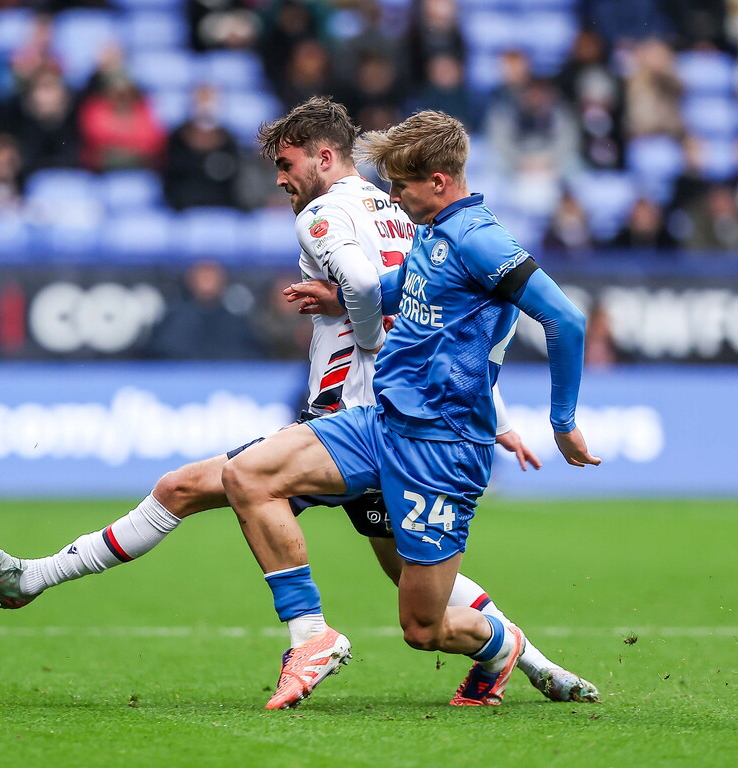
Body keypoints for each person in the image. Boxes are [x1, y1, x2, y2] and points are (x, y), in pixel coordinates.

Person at [0, 98, 598, 709]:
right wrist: (500, 415)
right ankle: (525, 660)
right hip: (392, 416)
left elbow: (390, 292)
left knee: (414, 607)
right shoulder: (402, 212)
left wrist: (366, 328)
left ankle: (322, 636)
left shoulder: (328, 216)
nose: (281, 182)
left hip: (375, 418)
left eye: (286, 166)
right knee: (383, 568)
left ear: (323, 157)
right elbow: (450, 316)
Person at [220, 107, 601, 709]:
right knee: (246, 475)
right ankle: (310, 637)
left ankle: (501, 649)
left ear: (439, 182)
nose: (390, 195)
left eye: (400, 185)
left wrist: (564, 423)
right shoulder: (431, 226)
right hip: (382, 421)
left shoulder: (481, 240)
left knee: (424, 629)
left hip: (441, 448)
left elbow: (566, 318)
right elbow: (412, 286)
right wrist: (334, 292)